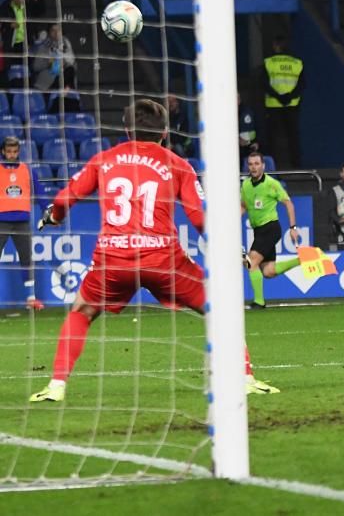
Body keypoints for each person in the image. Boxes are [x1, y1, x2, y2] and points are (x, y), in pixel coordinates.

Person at [31, 101, 278, 402]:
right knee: (221, 309)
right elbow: (199, 218)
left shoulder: (103, 160)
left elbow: (64, 198)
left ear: (126, 129)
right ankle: (246, 378)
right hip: (164, 260)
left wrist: (54, 217)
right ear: (164, 132)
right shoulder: (178, 164)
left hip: (114, 258)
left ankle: (56, 386)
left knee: (81, 312)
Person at [241, 152, 301, 309]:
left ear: (263, 165)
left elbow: (288, 204)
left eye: (256, 163)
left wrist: (293, 227)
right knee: (268, 271)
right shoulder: (245, 185)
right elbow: (244, 206)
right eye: (251, 164)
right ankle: (301, 260)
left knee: (250, 262)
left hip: (270, 228)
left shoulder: (271, 184)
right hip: (258, 231)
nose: (253, 167)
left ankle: (259, 302)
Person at [0, 136, 38, 309]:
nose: (12, 155)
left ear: (18, 152)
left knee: (26, 259)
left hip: (22, 222)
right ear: (3, 152)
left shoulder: (27, 170)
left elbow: (40, 192)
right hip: (2, 222)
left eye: (15, 151)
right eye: (9, 151)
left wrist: (50, 210)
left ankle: (31, 299)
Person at [262, 36, 303, 169]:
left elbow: (264, 84)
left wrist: (278, 97)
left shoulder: (269, 62)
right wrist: (289, 96)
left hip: (273, 104)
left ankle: (271, 167)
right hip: (292, 105)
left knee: (272, 138)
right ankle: (296, 166)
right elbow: (302, 84)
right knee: (293, 136)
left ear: (275, 45)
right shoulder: (297, 63)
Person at [31, 22, 76, 93]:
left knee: (70, 70)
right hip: (48, 83)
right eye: (53, 30)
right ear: (49, 33)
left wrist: (63, 62)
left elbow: (72, 61)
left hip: (62, 78)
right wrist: (48, 63)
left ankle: (67, 94)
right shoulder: (44, 46)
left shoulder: (65, 44)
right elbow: (35, 66)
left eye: (58, 30)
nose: (56, 33)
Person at [237, 92, 258, 160]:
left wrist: (256, 142)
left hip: (248, 146)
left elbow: (244, 139)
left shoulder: (247, 112)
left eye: (237, 99)